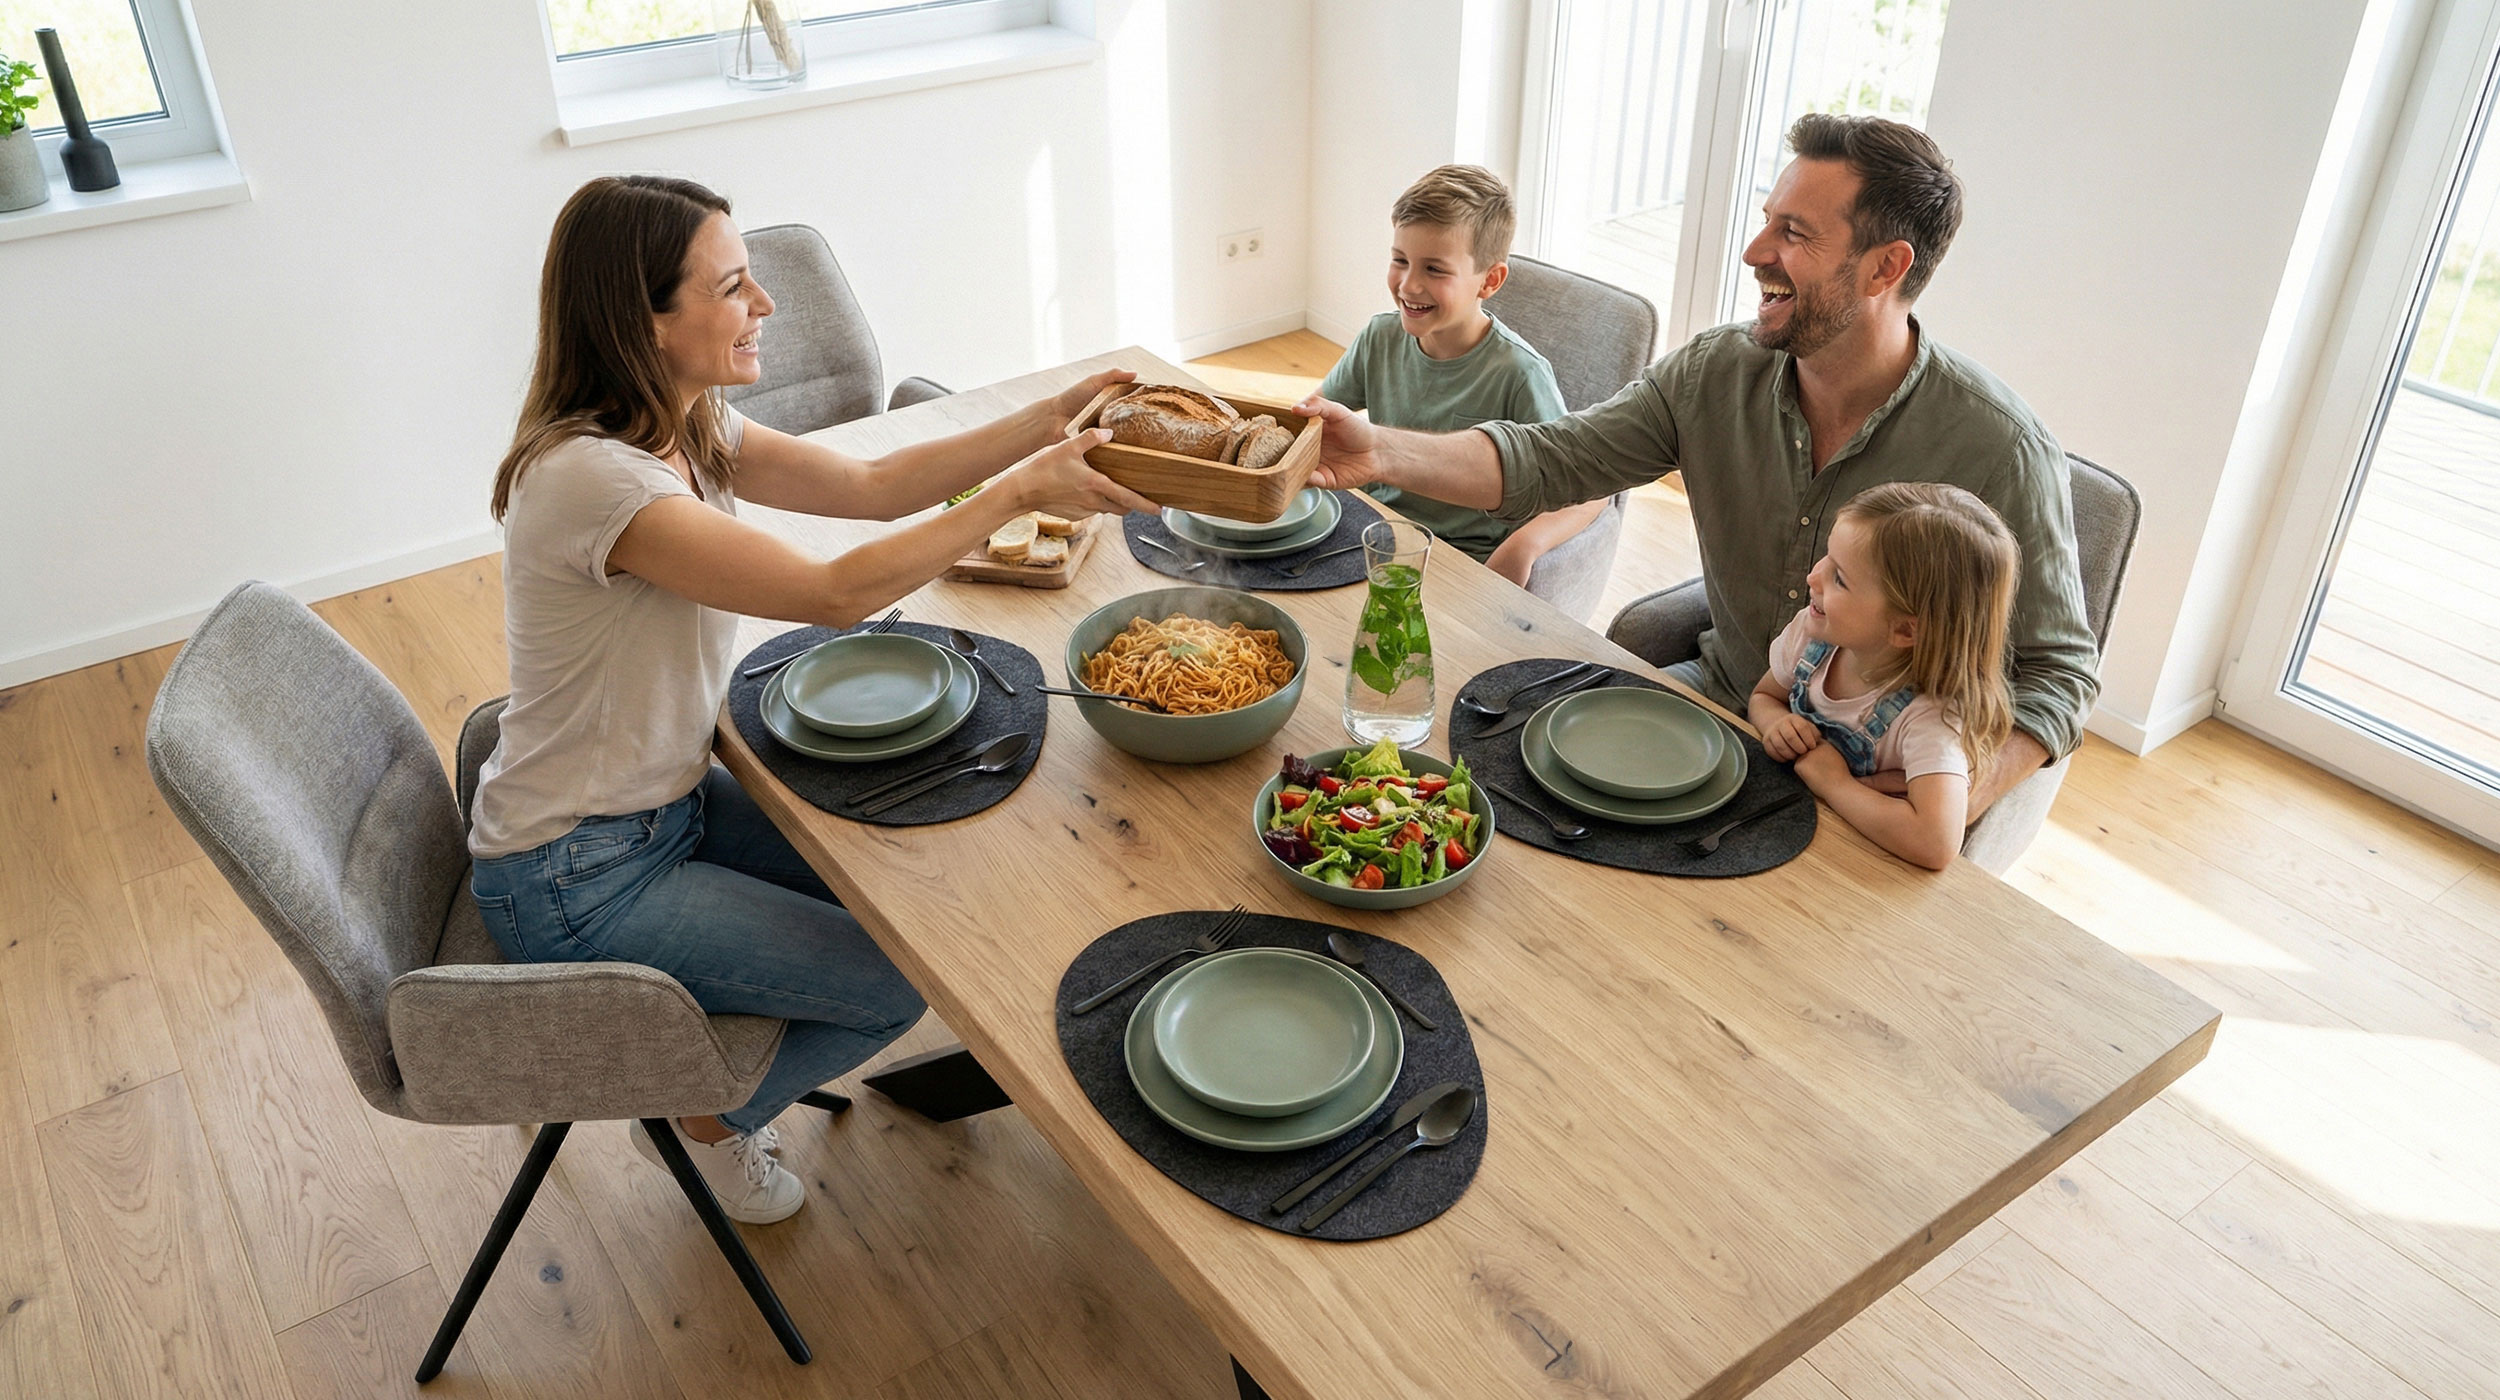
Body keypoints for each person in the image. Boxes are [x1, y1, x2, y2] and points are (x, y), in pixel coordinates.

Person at [467, 175, 1157, 1223]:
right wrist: (1018, 492)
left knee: (904, 872)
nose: (767, 306)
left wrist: (1042, 422)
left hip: (661, 812)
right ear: (643, 321)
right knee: (896, 978)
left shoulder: (683, 425)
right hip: (574, 874)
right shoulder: (597, 482)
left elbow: (875, 484)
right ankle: (716, 1112)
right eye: (735, 285)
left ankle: (735, 1001)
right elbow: (836, 594)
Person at [1295, 116, 2098, 821]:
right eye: (1764, 223)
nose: (1755, 253)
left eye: (1794, 233)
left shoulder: (1997, 447)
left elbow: (2057, 672)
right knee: (1487, 782)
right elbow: (1555, 458)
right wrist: (1379, 450)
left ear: (1886, 268)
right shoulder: (1717, 371)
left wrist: (1945, 806)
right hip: (1723, 709)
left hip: (1876, 778)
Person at [1317, 164, 1591, 588]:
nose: (1408, 285)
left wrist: (1523, 546)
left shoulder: (1519, 373)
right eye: (1400, 260)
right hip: (1369, 534)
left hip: (1459, 561)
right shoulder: (1379, 337)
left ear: (1490, 280)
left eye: (1434, 269)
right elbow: (1314, 423)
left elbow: (1587, 489)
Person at [1748, 483, 2017, 870]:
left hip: (1848, 868)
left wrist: (1834, 783)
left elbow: (1936, 844)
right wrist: (1777, 724)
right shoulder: (1812, 635)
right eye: (1828, 557)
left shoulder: (1931, 720)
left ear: (1906, 631)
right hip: (1772, 829)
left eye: (1840, 578)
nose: (1813, 576)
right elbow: (1764, 697)